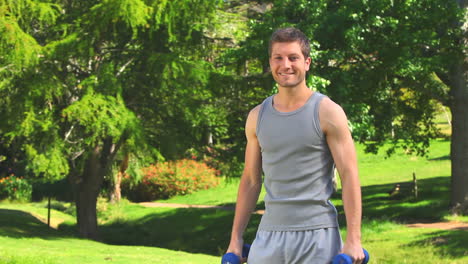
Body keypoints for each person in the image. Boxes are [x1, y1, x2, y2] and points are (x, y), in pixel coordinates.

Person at [225, 27, 365, 264]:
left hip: (317, 236)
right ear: (270, 62)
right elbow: (250, 180)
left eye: (293, 58)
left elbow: (349, 174)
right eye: (278, 58)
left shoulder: (327, 112)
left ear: (307, 62)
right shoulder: (256, 117)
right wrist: (236, 238)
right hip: (269, 235)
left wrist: (354, 239)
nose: (285, 65)